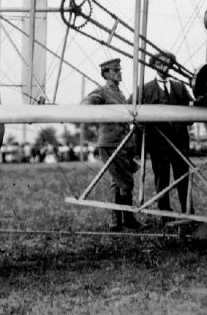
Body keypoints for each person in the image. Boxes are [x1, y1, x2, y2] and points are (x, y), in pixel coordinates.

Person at [81, 58, 144, 232]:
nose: (119, 73)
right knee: (125, 182)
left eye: (119, 70)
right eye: (115, 71)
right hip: (111, 143)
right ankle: (128, 219)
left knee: (118, 183)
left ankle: (116, 221)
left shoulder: (120, 93)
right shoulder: (102, 92)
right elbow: (86, 104)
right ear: (106, 73)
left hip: (123, 142)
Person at [132, 51, 193, 218]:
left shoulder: (180, 88)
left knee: (183, 177)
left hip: (180, 143)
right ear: (154, 65)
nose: (164, 67)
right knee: (162, 178)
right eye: (160, 64)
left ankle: (188, 211)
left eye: (167, 64)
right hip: (158, 145)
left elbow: (191, 114)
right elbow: (133, 114)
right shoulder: (144, 90)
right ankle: (165, 212)